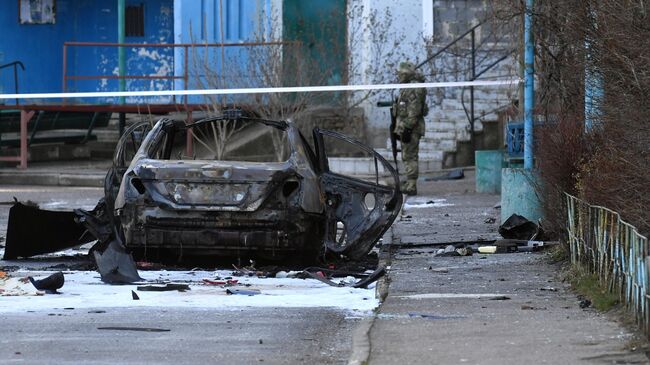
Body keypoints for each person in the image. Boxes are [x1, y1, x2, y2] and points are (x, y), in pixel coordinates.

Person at [393, 61, 427, 195]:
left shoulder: (414, 87)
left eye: (400, 74)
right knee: (407, 155)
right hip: (406, 126)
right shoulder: (408, 86)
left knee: (410, 156)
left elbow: (414, 110)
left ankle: (412, 184)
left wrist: (407, 128)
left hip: (411, 128)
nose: (399, 76)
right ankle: (409, 181)